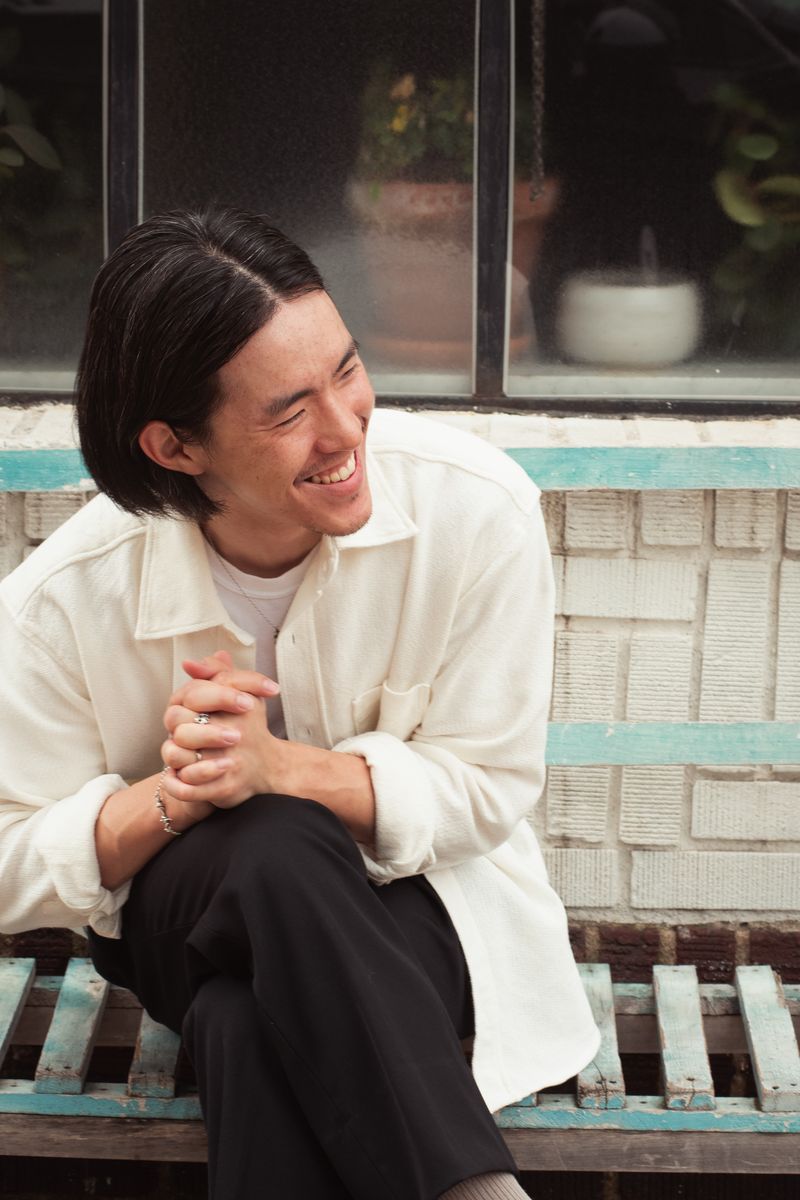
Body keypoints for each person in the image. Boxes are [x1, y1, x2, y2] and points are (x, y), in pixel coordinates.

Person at [0, 207, 599, 1200]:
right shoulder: (68, 597)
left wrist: (283, 769)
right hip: (185, 920)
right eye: (288, 413)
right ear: (175, 446)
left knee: (242, 1023)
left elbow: (490, 789)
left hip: (425, 913)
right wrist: (176, 795)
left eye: (346, 370)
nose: (346, 428)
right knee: (272, 845)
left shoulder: (473, 511)